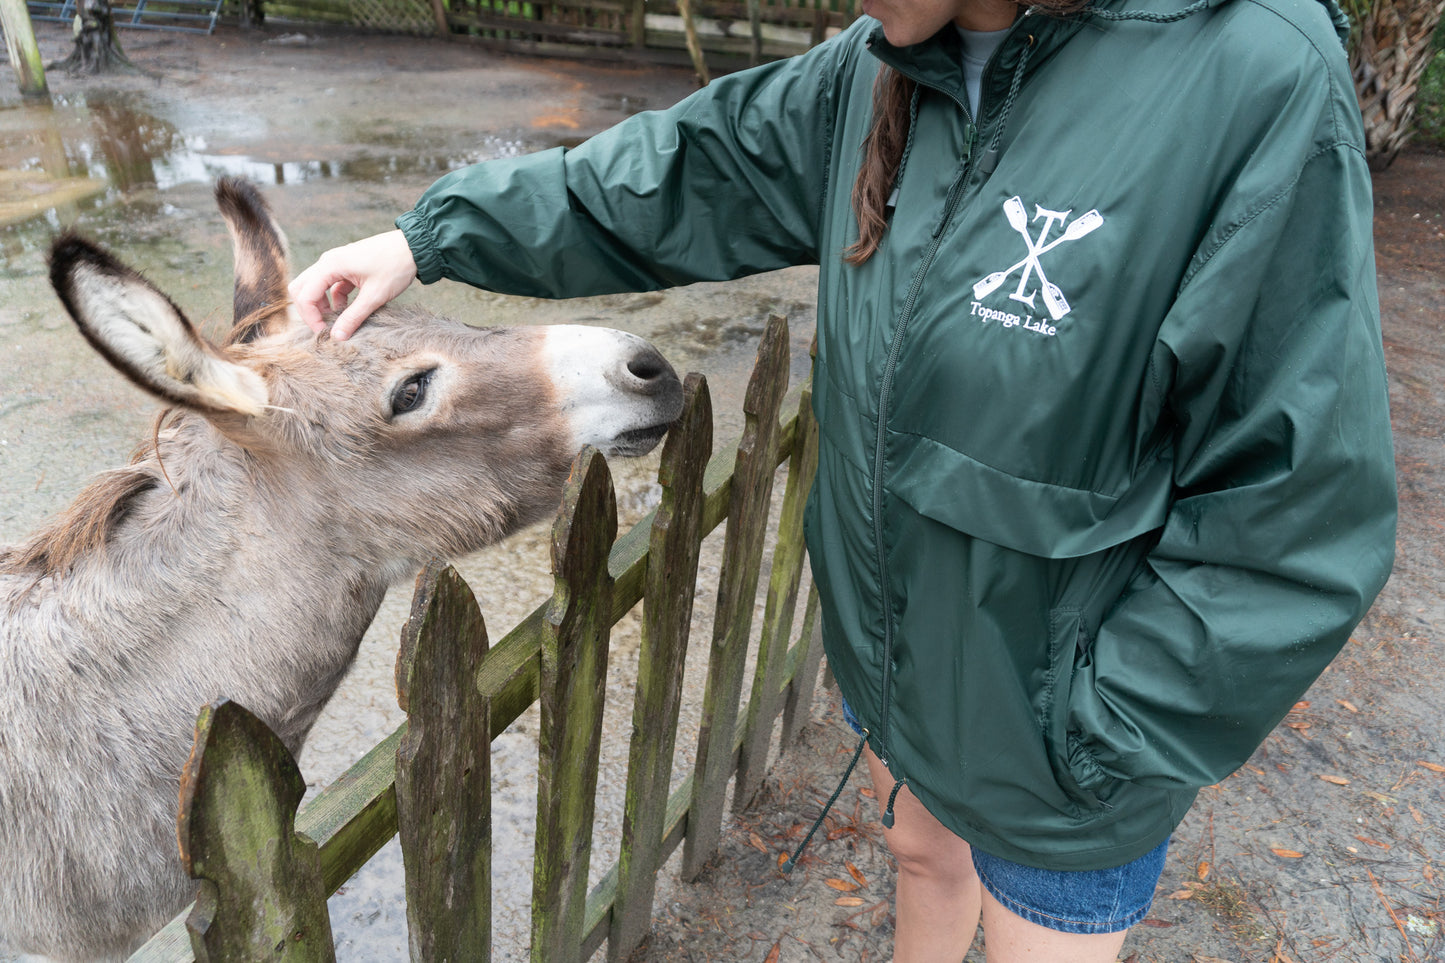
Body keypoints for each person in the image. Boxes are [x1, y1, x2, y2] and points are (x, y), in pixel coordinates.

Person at [289, 0, 1398, 953]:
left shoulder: (1249, 76)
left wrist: (1092, 746)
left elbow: (1289, 517)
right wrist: (425, 238)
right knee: (920, 869)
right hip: (895, 673)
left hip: (1063, 759)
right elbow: (680, 170)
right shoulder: (881, 64)